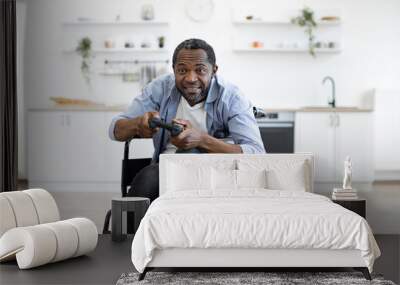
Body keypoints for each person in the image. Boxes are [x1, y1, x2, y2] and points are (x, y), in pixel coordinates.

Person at [109, 38, 265, 202]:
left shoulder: (231, 97)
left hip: (218, 171)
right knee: (146, 178)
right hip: (168, 169)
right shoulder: (160, 88)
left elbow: (257, 154)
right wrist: (138, 124)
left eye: (200, 70)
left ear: (214, 70)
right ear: (174, 70)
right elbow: (114, 130)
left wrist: (202, 140)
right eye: (182, 71)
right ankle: (132, 228)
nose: (191, 78)